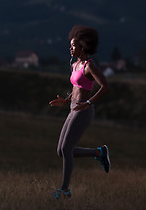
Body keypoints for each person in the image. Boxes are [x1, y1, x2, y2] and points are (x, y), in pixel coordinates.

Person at [49, 25, 111, 199]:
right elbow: (77, 87)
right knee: (61, 151)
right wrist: (67, 100)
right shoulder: (75, 64)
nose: (70, 48)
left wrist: (89, 102)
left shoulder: (89, 66)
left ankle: (64, 190)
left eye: (73, 45)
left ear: (83, 46)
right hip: (73, 108)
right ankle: (99, 153)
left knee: (67, 149)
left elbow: (106, 87)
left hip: (83, 110)